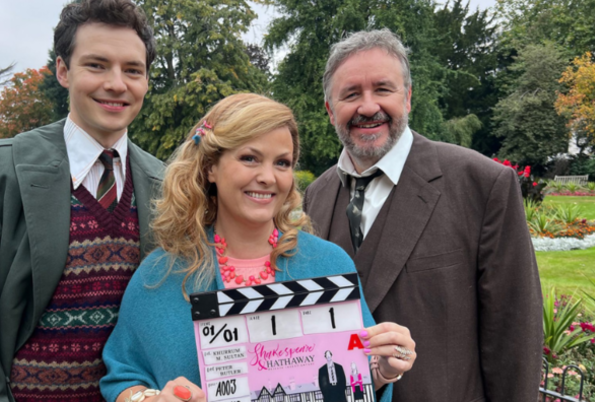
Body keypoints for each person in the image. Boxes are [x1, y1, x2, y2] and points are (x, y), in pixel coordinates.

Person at [98, 93, 416, 402]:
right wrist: (148, 399)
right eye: (249, 158)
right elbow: (123, 377)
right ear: (211, 167)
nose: (267, 177)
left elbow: (358, 377)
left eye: (282, 162)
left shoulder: (328, 264)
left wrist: (386, 367)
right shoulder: (159, 275)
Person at [0, 0, 164, 401]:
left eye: (132, 70)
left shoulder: (166, 184)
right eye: (96, 65)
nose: (116, 83)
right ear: (62, 70)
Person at [303, 29, 542, 402]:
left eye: (383, 89)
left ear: (408, 97)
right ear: (331, 109)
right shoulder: (314, 197)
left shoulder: (482, 184)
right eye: (351, 94)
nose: (368, 107)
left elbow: (515, 333)